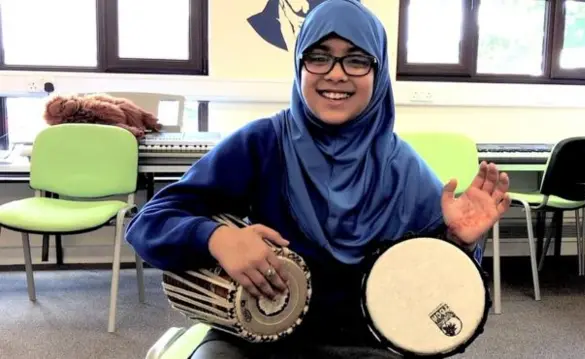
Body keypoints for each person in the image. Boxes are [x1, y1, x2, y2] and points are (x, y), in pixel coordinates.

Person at [125, 0, 511, 358]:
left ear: (379, 74)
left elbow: (438, 290)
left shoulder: (403, 167)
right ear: (299, 66)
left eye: (357, 60)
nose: (336, 74)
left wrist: (457, 242)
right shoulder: (263, 143)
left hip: (367, 341)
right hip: (260, 334)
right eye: (319, 57)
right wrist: (217, 238)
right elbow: (149, 223)